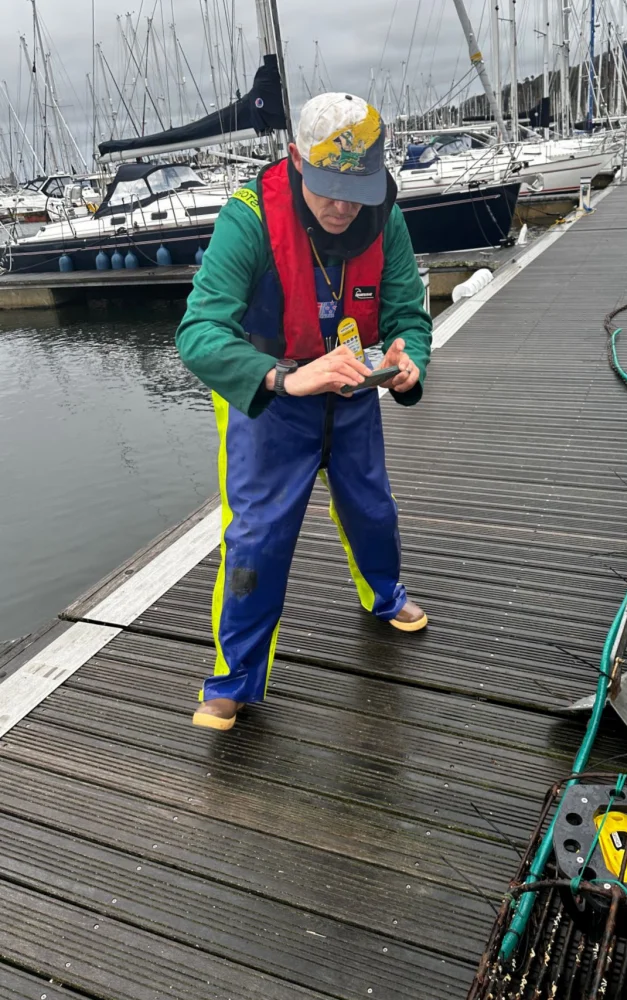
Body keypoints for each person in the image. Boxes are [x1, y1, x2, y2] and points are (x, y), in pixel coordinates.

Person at [176, 92, 433, 731]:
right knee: (257, 537)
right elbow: (198, 333)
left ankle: (385, 595)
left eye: (358, 190)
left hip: (351, 391)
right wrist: (281, 378)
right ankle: (233, 678)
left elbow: (407, 311)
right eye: (327, 189)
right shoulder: (248, 218)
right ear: (294, 160)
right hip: (269, 402)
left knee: (372, 508)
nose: (345, 206)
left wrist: (408, 359)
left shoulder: (384, 218)